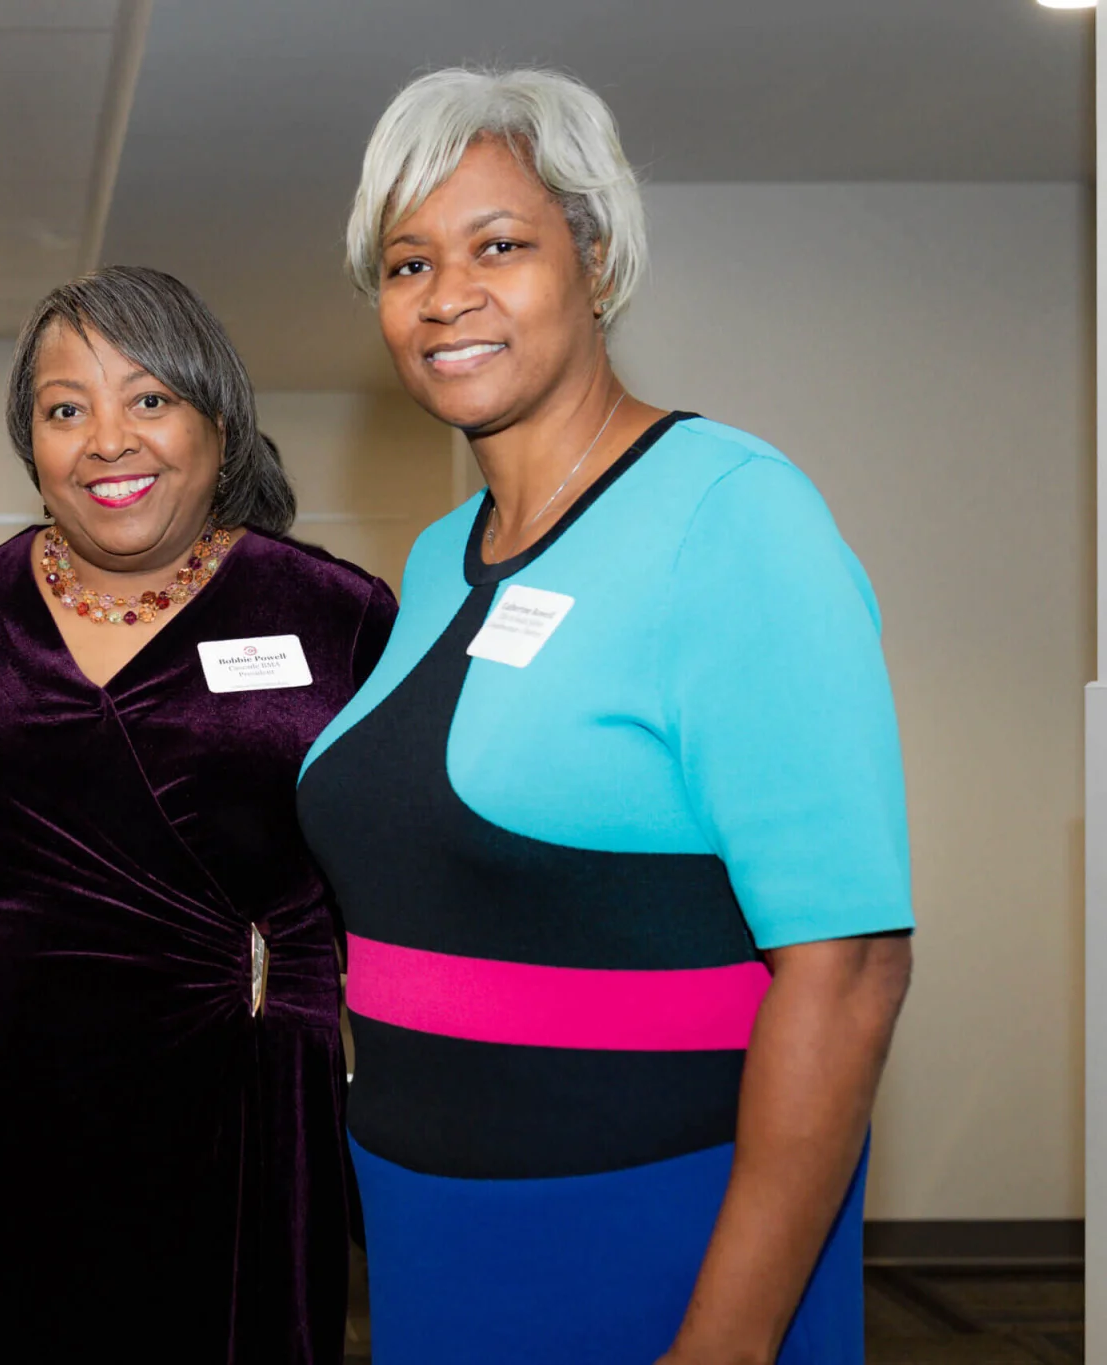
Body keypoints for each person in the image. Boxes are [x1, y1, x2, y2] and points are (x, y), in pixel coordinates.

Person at [295, 67, 915, 1364]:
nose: (447, 294)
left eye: (499, 245)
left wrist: (727, 1343)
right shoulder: (433, 558)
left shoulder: (735, 513)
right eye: (408, 263)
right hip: (428, 1231)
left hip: (654, 1230)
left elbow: (850, 968)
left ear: (596, 258)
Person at [0, 266, 397, 1364]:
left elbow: (401, 871)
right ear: (30, 446)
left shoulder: (334, 617)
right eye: (64, 409)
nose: (106, 441)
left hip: (237, 1103)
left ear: (219, 419)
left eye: (149, 399)